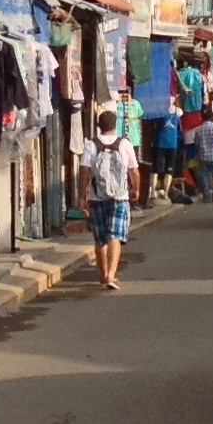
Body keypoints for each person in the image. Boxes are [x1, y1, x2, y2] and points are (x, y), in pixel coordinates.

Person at [82, 109, 140, 289]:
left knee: (100, 238)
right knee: (115, 235)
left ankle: (103, 274)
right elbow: (134, 171)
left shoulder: (91, 145)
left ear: (99, 126)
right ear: (115, 125)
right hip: (120, 196)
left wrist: (82, 195)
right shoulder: (124, 144)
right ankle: (111, 276)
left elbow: (84, 171)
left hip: (97, 196)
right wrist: (136, 189)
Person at [186, 109, 213, 203]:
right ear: (212, 117)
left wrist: (198, 154)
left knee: (203, 177)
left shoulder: (198, 129)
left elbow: (196, 143)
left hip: (203, 157)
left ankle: (206, 196)